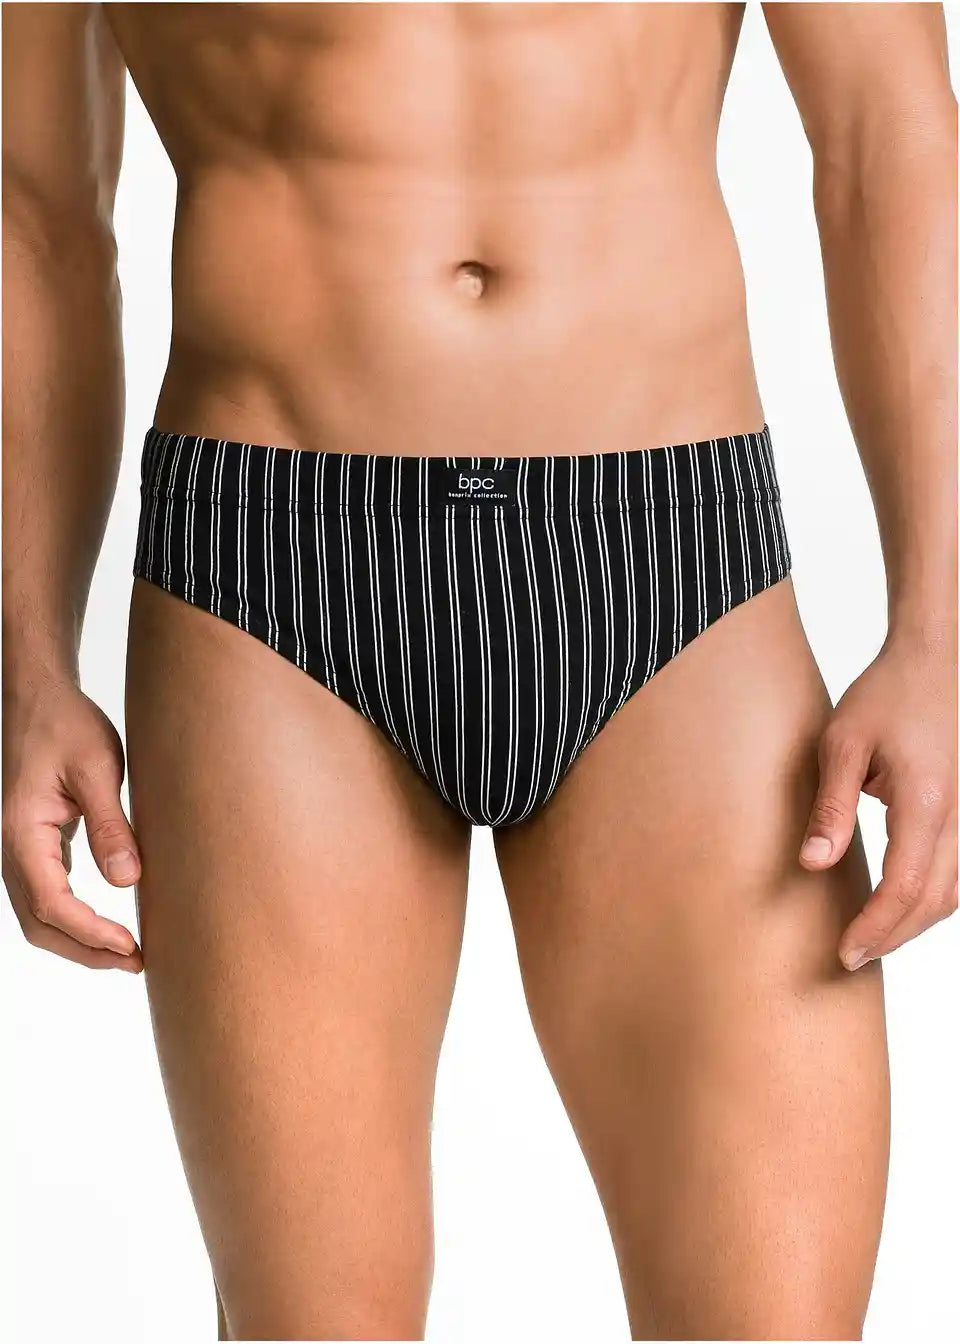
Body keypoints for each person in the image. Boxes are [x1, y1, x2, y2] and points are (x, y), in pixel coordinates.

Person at [2, 4, 956, 1340]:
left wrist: (941, 630)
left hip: (675, 561)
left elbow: (888, 135)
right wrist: (28, 666)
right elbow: (34, 210)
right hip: (268, 571)